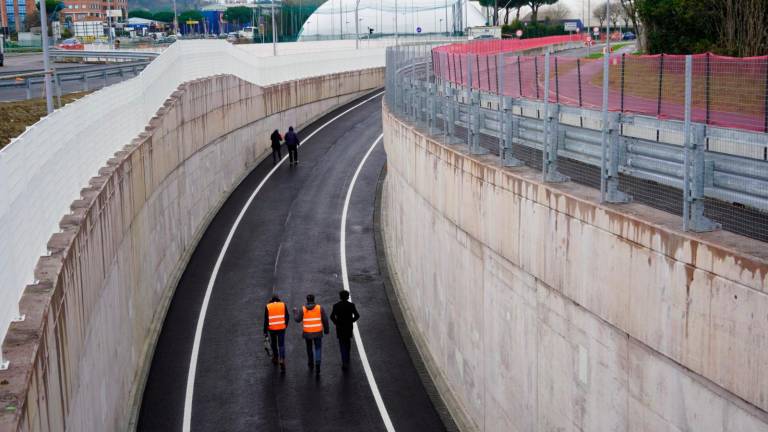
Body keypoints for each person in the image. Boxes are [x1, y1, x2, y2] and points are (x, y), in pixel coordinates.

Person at [293, 294, 329, 375]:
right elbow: (325, 320)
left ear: (307, 300)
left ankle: (311, 364)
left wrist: (295, 312)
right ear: (314, 299)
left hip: (307, 333)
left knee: (309, 349)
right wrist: (326, 330)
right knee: (318, 349)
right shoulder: (320, 308)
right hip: (318, 333)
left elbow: (298, 319)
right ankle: (318, 365)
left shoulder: (303, 309)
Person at [330, 290, 360, 371]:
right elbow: (357, 315)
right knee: (348, 342)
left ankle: (344, 361)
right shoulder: (351, 305)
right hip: (348, 327)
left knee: (342, 344)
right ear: (347, 297)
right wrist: (351, 320)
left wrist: (336, 322)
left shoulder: (336, 306)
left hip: (340, 328)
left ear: (340, 297)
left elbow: (332, 316)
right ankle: (347, 357)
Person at [263, 295, 289, 371]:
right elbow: (287, 316)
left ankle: (275, 357)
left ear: (271, 300)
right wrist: (285, 325)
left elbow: (266, 320)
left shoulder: (268, 306)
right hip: (281, 328)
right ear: (278, 299)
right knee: (281, 344)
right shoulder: (283, 304)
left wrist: (265, 331)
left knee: (273, 343)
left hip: (272, 329)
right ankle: (282, 359)